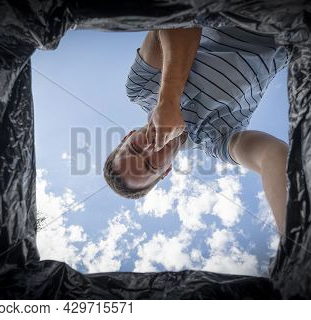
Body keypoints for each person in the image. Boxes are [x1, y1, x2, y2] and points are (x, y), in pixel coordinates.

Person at [104, 26, 289, 233]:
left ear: (128, 136)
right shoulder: (217, 142)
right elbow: (272, 154)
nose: (149, 150)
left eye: (135, 150)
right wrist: (293, 235)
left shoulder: (140, 89)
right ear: (166, 171)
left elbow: (177, 18)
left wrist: (169, 100)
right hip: (286, 29)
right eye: (150, 165)